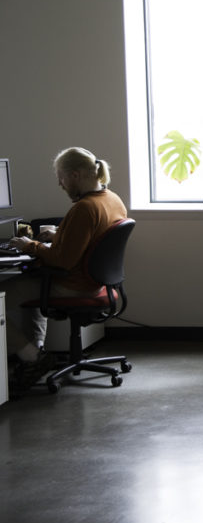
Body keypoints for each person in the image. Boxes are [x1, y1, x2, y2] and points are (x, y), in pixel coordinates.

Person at [6, 147, 128, 389]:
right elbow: (93, 235)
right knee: (33, 291)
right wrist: (60, 232)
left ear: (74, 175)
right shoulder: (111, 199)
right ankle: (36, 354)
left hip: (73, 286)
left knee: (3, 296)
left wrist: (30, 245)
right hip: (95, 283)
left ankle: (31, 356)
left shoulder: (83, 208)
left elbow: (63, 260)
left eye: (60, 178)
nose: (60, 184)